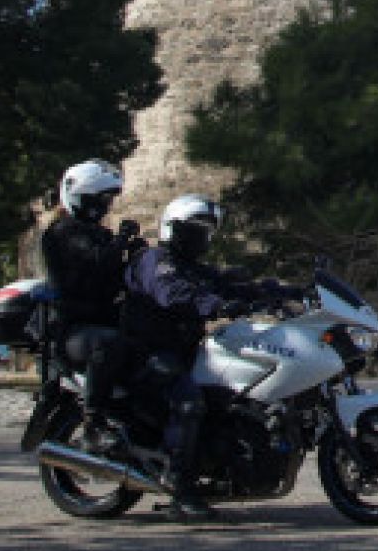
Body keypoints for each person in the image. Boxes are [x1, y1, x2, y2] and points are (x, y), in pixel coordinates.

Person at [120, 194, 294, 520]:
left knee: (228, 399)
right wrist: (215, 305)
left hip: (185, 352)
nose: (200, 237)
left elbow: (227, 286)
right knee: (189, 404)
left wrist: (283, 293)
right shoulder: (155, 261)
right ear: (174, 229)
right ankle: (178, 485)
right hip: (149, 353)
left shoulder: (193, 268)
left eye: (205, 231)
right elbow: (172, 293)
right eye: (194, 230)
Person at [39, 159, 138, 428]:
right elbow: (97, 261)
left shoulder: (100, 234)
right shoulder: (62, 231)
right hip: (73, 326)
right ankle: (93, 421)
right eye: (100, 199)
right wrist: (122, 241)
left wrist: (135, 256)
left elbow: (114, 273)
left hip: (103, 317)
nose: (105, 206)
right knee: (107, 344)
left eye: (107, 199)